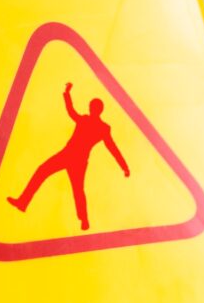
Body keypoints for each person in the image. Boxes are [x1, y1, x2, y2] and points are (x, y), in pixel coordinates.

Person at [8, 82, 130, 231]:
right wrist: (124, 167)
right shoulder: (102, 127)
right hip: (74, 157)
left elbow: (71, 112)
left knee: (68, 185)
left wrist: (67, 93)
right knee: (58, 180)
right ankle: (24, 203)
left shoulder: (89, 122)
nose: (90, 108)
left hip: (71, 156)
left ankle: (82, 219)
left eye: (92, 106)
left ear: (95, 109)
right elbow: (113, 149)